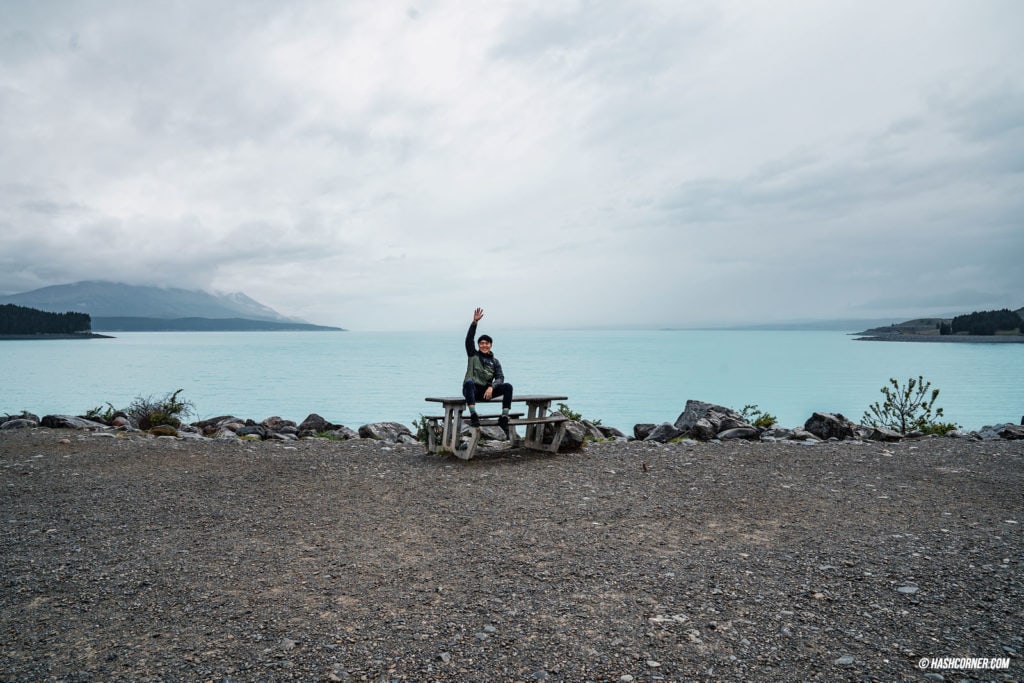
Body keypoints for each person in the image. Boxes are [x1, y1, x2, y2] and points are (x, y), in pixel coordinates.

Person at [463, 307, 513, 436]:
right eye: (481, 343)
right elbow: (469, 339)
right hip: (472, 390)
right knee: (468, 383)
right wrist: (474, 323)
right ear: (479, 345)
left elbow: (500, 377)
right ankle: (473, 415)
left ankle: (504, 418)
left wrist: (492, 387)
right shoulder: (473, 354)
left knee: (508, 386)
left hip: (486, 392)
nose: (484, 345)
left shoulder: (495, 361)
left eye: (487, 343)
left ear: (491, 345)